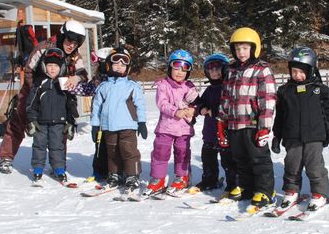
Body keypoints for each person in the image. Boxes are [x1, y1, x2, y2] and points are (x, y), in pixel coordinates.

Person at [0, 20, 88, 174]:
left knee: (60, 127)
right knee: (18, 121)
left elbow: (83, 73)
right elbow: (29, 70)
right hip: (33, 91)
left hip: (58, 95)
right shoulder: (44, 47)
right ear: (62, 35)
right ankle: (6, 157)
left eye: (76, 43)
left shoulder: (74, 55)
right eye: (69, 40)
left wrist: (76, 78)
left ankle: (58, 164)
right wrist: (38, 89)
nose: (71, 45)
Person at [217, 27, 277, 210]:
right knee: (240, 158)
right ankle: (246, 187)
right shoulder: (231, 69)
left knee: (258, 159)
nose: (241, 52)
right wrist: (221, 121)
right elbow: (225, 97)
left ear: (254, 48)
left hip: (253, 124)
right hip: (235, 124)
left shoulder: (262, 70)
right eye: (237, 49)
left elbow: (268, 100)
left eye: (245, 48)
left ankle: (265, 191)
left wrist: (264, 127)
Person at [271, 47, 329, 212]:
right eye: (294, 71)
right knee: (292, 165)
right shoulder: (285, 91)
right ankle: (291, 191)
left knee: (314, 166)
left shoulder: (319, 90)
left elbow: (328, 113)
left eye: (301, 72)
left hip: (314, 135)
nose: (297, 75)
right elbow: (280, 117)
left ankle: (319, 194)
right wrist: (277, 137)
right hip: (292, 136)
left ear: (310, 70)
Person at [90, 46, 148, 193]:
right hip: (109, 126)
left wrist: (141, 122)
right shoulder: (103, 87)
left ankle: (132, 175)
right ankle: (115, 174)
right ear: (108, 65)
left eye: (123, 64)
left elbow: (140, 106)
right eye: (116, 63)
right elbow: (96, 108)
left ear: (128, 68)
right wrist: (95, 126)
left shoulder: (132, 86)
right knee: (112, 152)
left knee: (128, 151)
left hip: (128, 126)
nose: (119, 66)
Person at [146, 49, 198, 196]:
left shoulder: (190, 87)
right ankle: (158, 179)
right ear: (170, 67)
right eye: (176, 67)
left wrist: (194, 110)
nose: (180, 72)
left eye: (184, 68)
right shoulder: (163, 85)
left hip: (184, 129)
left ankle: (182, 177)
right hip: (166, 127)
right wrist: (176, 111)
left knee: (182, 153)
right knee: (160, 152)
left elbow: (197, 102)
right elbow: (162, 103)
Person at [25, 47, 79, 185]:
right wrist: (32, 120)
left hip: (59, 122)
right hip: (40, 122)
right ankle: (38, 169)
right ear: (44, 66)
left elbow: (71, 104)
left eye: (56, 65)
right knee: (39, 146)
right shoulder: (39, 83)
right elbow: (31, 103)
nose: (53, 68)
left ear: (61, 67)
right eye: (50, 65)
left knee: (57, 147)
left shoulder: (65, 83)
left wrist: (70, 121)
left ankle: (59, 169)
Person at [193, 53, 238, 193]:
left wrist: (215, 110)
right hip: (210, 133)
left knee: (228, 161)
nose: (214, 72)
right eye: (211, 69)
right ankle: (209, 180)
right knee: (208, 159)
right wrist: (201, 108)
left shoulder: (228, 87)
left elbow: (231, 105)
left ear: (225, 69)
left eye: (217, 68)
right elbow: (200, 102)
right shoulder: (209, 89)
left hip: (225, 133)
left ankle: (233, 184)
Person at [74, 46, 112, 183]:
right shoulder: (97, 79)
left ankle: (116, 172)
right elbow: (87, 89)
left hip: (114, 120)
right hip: (98, 119)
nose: (96, 67)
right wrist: (70, 86)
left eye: (98, 64)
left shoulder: (116, 80)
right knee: (99, 145)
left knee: (114, 146)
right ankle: (100, 172)